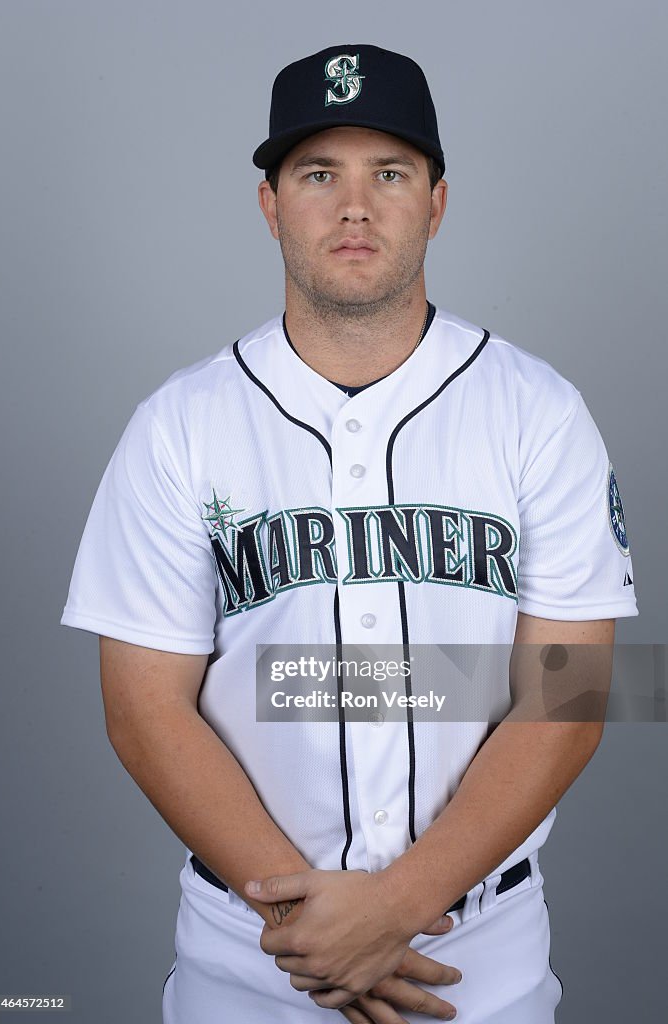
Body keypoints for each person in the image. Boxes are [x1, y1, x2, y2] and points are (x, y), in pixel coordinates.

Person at [60, 43, 639, 1024]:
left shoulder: (539, 412)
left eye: (390, 173)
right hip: (249, 964)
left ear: (437, 201)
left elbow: (572, 693)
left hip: (476, 965)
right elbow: (142, 709)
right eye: (319, 173)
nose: (354, 206)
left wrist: (399, 906)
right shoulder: (181, 425)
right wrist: (313, 927)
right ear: (270, 203)